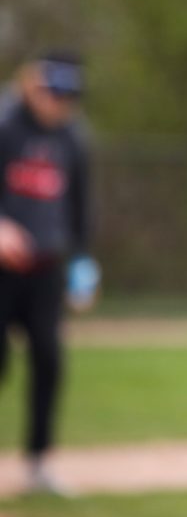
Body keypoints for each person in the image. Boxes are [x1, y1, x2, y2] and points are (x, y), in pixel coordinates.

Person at [0, 50, 93, 494]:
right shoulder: (4, 125)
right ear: (31, 83)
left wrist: (82, 266)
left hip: (45, 272)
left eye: (68, 96)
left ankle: (37, 463)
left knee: (48, 361)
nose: (60, 103)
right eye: (54, 92)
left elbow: (79, 209)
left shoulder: (73, 140)